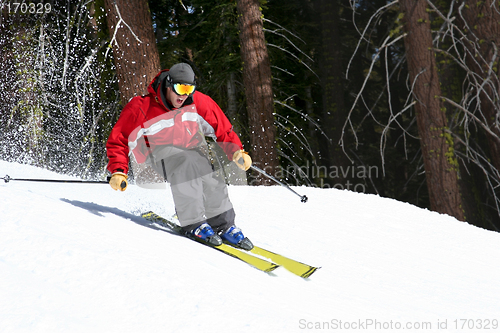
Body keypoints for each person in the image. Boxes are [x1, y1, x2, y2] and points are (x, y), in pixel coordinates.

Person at [106, 63, 253, 250]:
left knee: (209, 171)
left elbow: (222, 128)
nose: (184, 95)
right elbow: (119, 140)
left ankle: (224, 225)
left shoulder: (198, 102)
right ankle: (193, 222)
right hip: (158, 156)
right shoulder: (142, 107)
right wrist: (118, 170)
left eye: (189, 89)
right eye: (180, 88)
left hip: (192, 152)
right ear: (169, 85)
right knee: (186, 162)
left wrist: (237, 152)